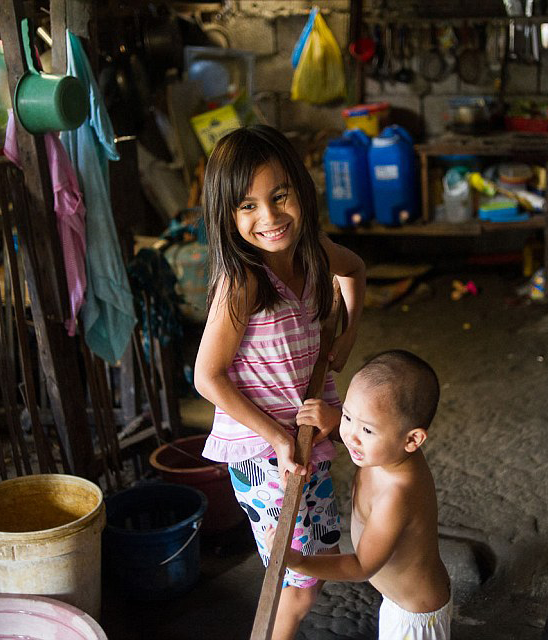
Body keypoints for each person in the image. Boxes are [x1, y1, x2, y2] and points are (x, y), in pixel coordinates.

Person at [193, 125, 366, 640]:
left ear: (301, 191)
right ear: (226, 215)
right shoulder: (243, 281)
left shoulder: (312, 251)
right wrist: (274, 435)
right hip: (263, 450)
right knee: (292, 584)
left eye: (280, 196)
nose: (269, 218)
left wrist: (348, 335)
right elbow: (207, 377)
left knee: (307, 573)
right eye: (247, 206)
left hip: (302, 443)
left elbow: (355, 269)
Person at [268, 350, 452, 640]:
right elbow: (365, 434)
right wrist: (336, 419)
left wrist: (298, 561)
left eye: (366, 428)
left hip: (415, 619)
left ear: (412, 439)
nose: (351, 434)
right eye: (348, 416)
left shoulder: (397, 495)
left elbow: (361, 566)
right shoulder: (387, 452)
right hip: (398, 599)